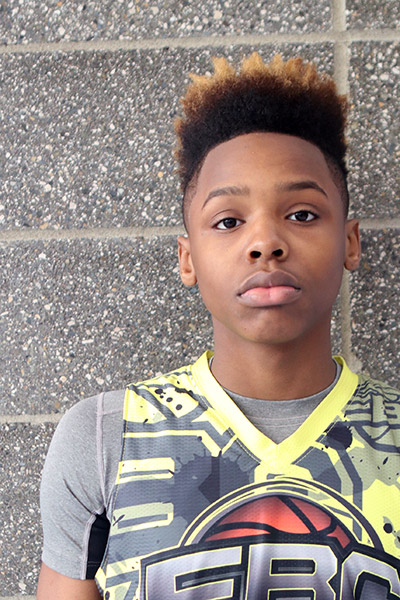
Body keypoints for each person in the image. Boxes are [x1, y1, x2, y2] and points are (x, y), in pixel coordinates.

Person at [37, 53, 400, 599]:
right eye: (228, 221)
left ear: (349, 242)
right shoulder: (105, 438)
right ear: (188, 259)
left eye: (302, 214)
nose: (265, 242)